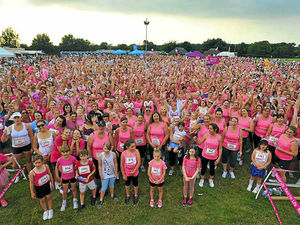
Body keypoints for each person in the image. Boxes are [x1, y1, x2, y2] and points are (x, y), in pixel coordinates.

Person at [1, 112, 33, 180]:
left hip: (26, 145)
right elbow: (3, 140)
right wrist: (4, 134)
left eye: (18, 117)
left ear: (21, 118)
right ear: (13, 119)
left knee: (28, 160)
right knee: (16, 163)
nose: (17, 119)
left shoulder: (27, 126)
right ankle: (17, 175)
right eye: (15, 118)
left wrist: (33, 147)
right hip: (16, 147)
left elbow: (31, 137)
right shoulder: (10, 128)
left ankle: (30, 173)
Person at [196, 123, 222, 187]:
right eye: (209, 128)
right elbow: (199, 143)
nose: (209, 130)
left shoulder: (219, 137)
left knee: (212, 168)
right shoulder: (206, 135)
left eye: (211, 129)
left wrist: (219, 158)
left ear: (215, 130)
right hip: (205, 155)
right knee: (203, 167)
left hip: (214, 156)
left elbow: (220, 148)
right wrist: (196, 139)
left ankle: (211, 179)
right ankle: (202, 179)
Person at [29, 155, 54, 220]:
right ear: (33, 163)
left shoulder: (46, 167)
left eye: (39, 162)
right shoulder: (32, 172)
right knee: (42, 199)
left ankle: (50, 209)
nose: (37, 164)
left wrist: (52, 183)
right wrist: (32, 192)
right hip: (39, 188)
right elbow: (31, 183)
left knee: (48, 197)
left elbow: (50, 174)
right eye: (36, 163)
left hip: (46, 185)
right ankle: (45, 211)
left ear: (42, 162)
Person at [55, 145, 78, 211]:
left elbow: (77, 165)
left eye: (67, 152)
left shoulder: (73, 158)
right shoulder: (59, 160)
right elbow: (56, 167)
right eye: (63, 152)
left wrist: (76, 173)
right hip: (65, 178)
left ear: (69, 152)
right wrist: (57, 176)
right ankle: (64, 202)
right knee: (65, 191)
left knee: (73, 189)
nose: (65, 153)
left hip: (72, 176)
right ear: (61, 152)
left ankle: (75, 200)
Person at [98, 142, 119, 208]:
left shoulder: (113, 154)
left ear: (110, 149)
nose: (106, 150)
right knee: (104, 187)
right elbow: (99, 165)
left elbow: (115, 163)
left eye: (108, 149)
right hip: (104, 174)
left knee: (112, 185)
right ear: (103, 147)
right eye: (105, 149)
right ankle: (101, 199)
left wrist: (116, 172)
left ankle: (112, 195)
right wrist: (100, 174)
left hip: (112, 173)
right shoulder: (101, 156)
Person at [120, 140, 141, 204]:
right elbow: (122, 164)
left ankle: (136, 195)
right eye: (132, 147)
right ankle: (128, 195)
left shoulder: (136, 151)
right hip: (127, 172)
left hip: (135, 172)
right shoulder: (124, 153)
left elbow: (139, 162)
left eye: (134, 146)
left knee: (135, 183)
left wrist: (134, 171)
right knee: (127, 184)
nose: (134, 148)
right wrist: (123, 174)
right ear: (127, 147)